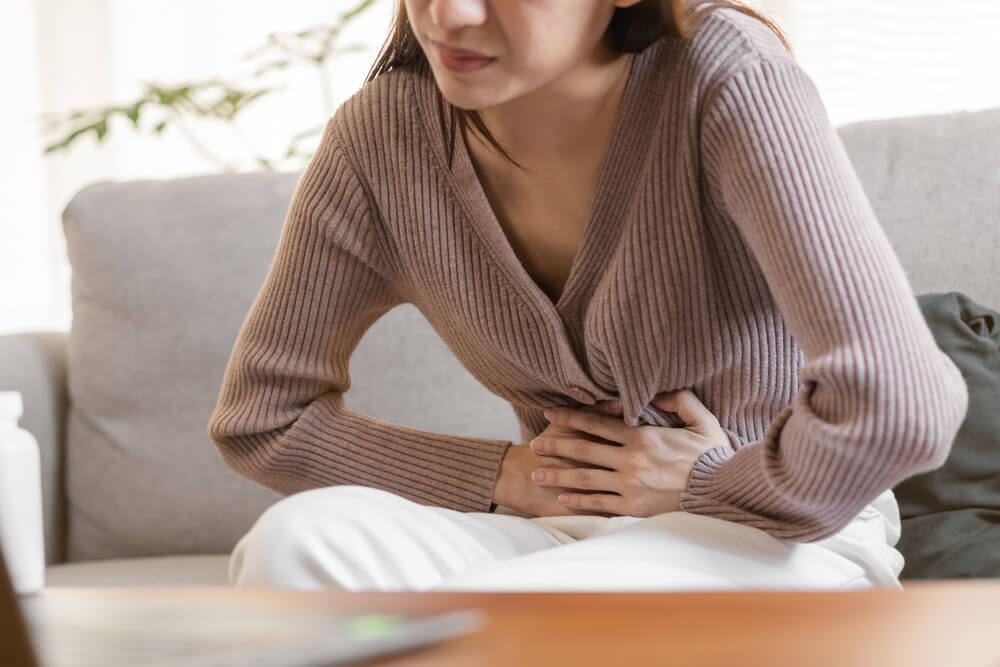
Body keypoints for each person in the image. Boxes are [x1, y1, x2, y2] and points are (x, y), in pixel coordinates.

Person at [207, 0, 969, 592]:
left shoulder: (727, 80)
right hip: (565, 532)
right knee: (297, 546)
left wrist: (708, 483)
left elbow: (902, 401)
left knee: (523, 609)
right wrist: (514, 477)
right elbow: (263, 418)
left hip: (781, 538)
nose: (450, 14)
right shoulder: (383, 142)